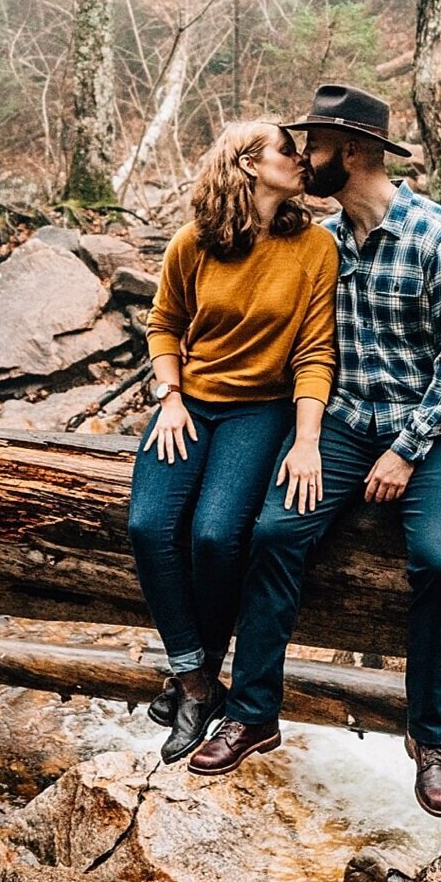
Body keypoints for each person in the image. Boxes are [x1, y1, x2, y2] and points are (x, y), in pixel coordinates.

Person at [188, 84, 441, 818]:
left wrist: (407, 452)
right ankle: (252, 712)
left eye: (313, 146)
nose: (302, 157)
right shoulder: (323, 243)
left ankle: (431, 736)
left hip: (438, 428)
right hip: (347, 425)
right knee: (273, 533)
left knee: (439, 561)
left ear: (350, 152)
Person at [130, 120, 340, 763]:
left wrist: (307, 440)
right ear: (247, 165)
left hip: (263, 411)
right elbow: (164, 325)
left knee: (218, 535)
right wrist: (168, 397)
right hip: (189, 404)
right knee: (147, 524)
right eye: (286, 150)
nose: (301, 159)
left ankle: (191, 682)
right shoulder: (193, 244)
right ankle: (195, 681)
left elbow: (314, 352)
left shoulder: (314, 248)